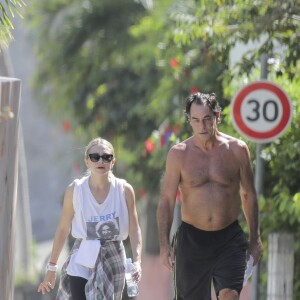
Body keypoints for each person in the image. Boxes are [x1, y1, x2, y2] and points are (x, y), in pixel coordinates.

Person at [157, 92, 263, 300]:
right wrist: (164, 244)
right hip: (192, 239)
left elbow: (249, 195)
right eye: (195, 120)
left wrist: (255, 238)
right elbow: (167, 201)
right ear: (189, 121)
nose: (202, 126)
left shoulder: (237, 150)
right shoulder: (179, 154)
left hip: (229, 238)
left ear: (217, 116)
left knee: (230, 295)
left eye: (207, 119)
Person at [38, 137, 142, 300]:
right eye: (95, 157)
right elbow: (63, 228)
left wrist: (137, 262)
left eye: (106, 157)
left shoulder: (124, 190)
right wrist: (52, 267)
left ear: (112, 161)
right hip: (83, 255)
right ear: (87, 161)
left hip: (113, 255)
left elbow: (134, 229)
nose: (101, 161)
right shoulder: (75, 190)